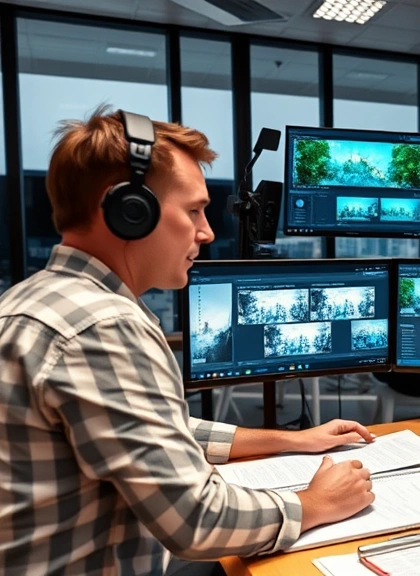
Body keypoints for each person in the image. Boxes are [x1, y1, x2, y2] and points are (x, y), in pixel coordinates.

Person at [0, 106, 375, 575]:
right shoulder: (101, 326)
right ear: (129, 211)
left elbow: (153, 427)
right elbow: (197, 522)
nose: (207, 231)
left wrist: (291, 440)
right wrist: (315, 502)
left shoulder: (34, 299)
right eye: (194, 210)